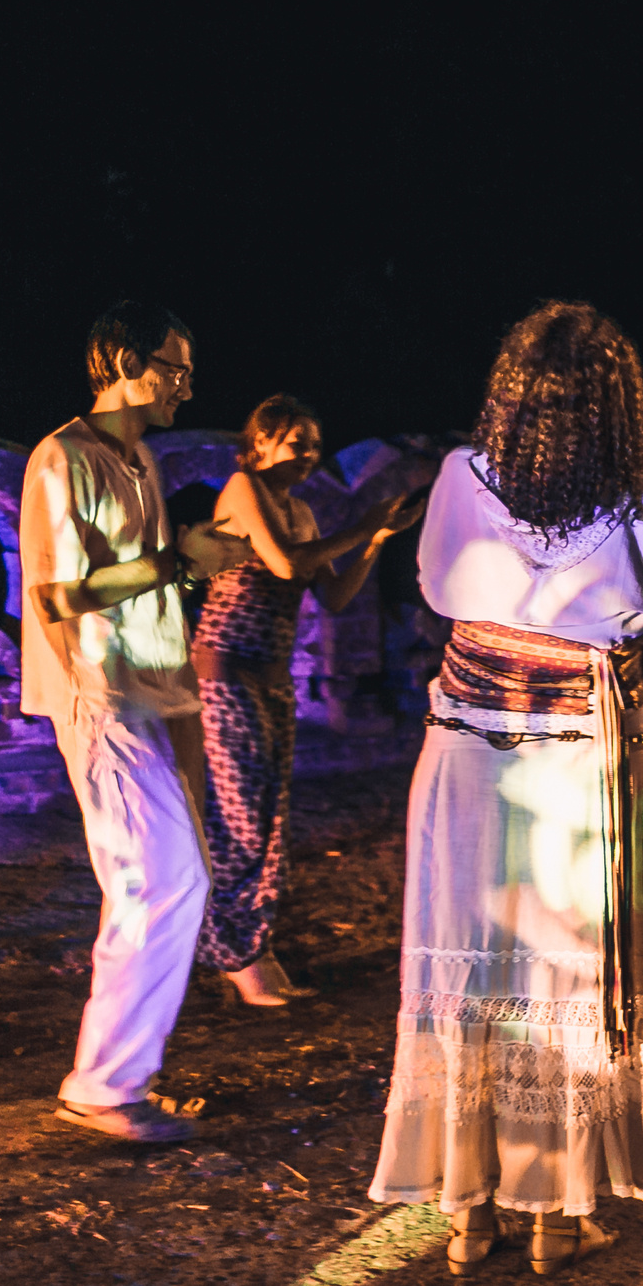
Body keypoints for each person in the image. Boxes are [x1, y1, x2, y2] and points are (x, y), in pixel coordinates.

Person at [367, 302, 643, 1277]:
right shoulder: (637, 500)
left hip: (469, 748)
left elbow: (433, 586)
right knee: (563, 972)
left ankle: (469, 1213)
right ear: (617, 405)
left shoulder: (464, 478)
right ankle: (556, 1212)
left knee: (473, 966)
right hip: (576, 756)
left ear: (509, 392)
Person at [22, 300, 251, 1143]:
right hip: (98, 695)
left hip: (152, 694)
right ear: (120, 358)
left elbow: (146, 586)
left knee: (161, 882)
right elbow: (59, 596)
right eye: (174, 366)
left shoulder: (139, 459)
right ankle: (104, 1085)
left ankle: (115, 1079)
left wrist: (190, 572)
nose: (187, 386)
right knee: (159, 883)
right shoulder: (63, 458)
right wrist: (174, 559)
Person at [195, 395, 425, 1007]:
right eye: (297, 441)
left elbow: (335, 598)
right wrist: (361, 521)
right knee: (241, 816)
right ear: (261, 443)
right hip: (226, 673)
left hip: (270, 677)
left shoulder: (300, 511)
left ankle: (248, 947)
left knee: (268, 819)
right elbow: (284, 564)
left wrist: (374, 537)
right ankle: (235, 952)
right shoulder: (244, 489)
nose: (309, 455)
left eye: (316, 444)